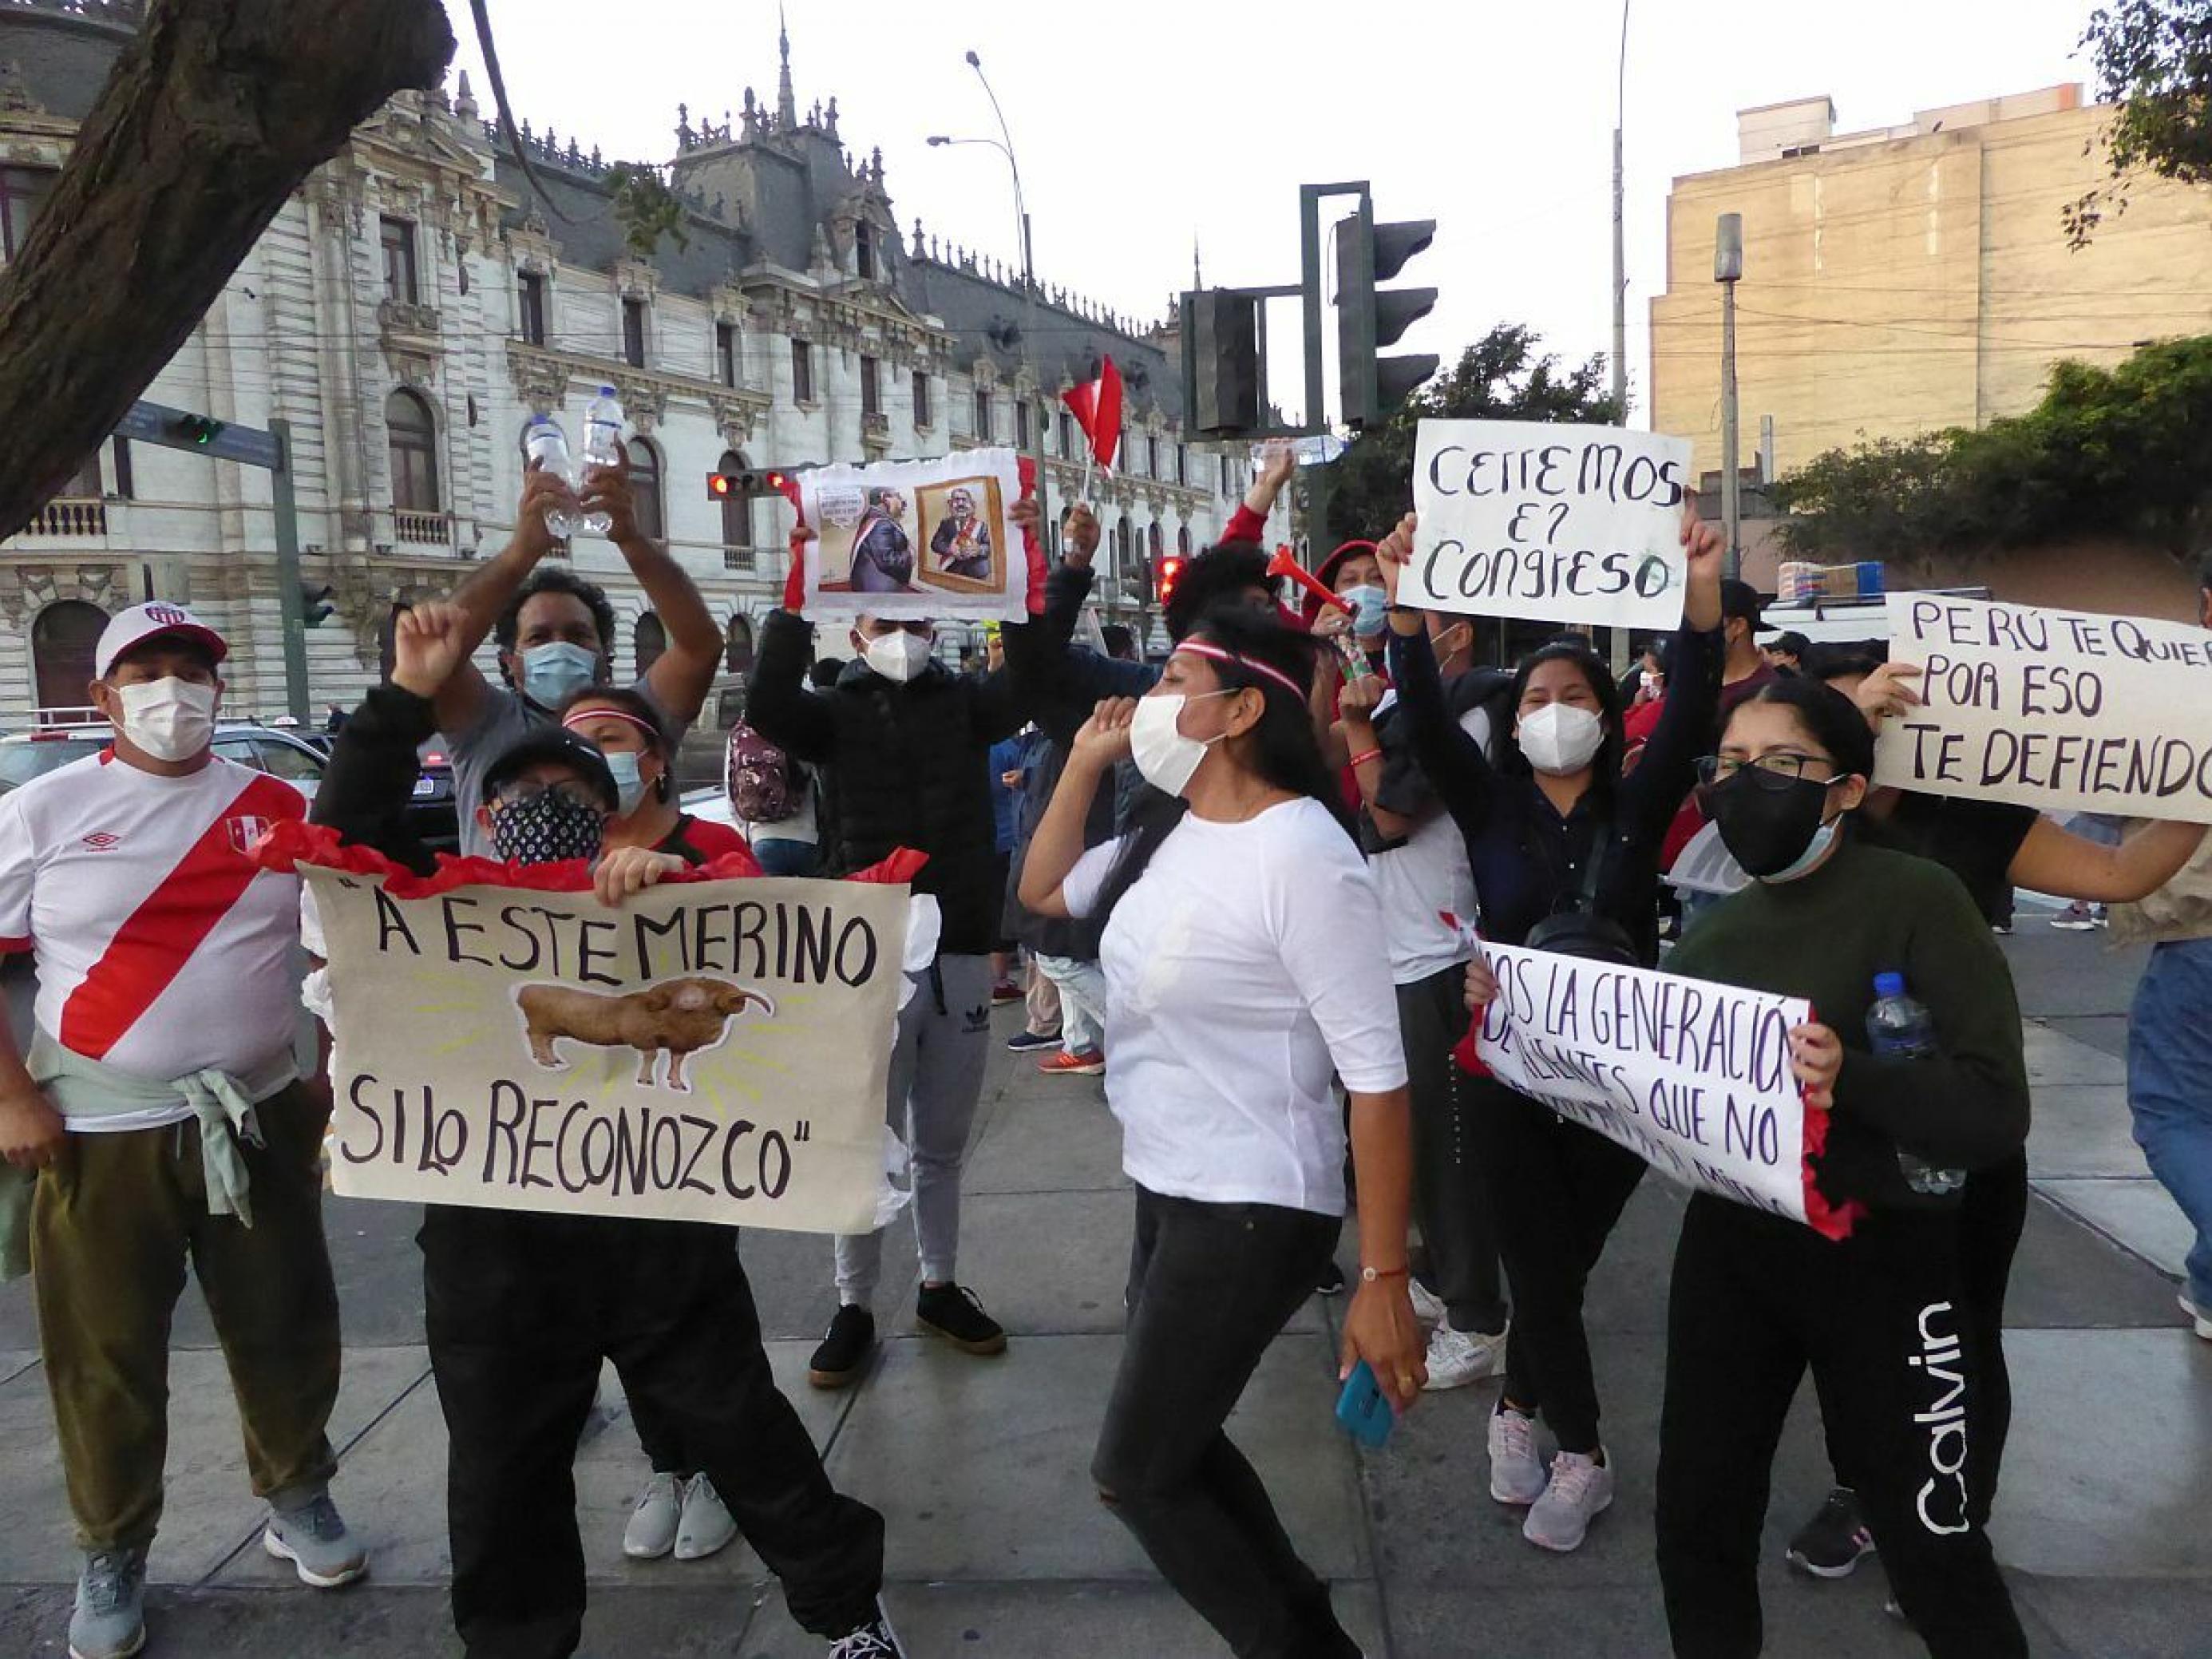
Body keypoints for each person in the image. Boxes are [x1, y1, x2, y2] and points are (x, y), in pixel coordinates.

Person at [313, 603, 902, 1659]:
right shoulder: (443, 898)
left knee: (743, 1431)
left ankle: (848, 1613)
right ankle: (514, 1641)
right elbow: (344, 829)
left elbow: (778, 937)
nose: (548, 805)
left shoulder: (674, 885)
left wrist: (674, 891)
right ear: (481, 816)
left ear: (613, 810)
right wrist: (402, 696)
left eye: (574, 792)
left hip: (657, 1232)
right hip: (495, 1245)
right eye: (524, 793)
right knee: (500, 1465)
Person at [1018, 605, 1423, 1658]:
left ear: (1241, 708)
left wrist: (1381, 1280)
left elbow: (1376, 1081)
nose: (1150, 697)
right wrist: (1081, 761)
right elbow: (1042, 890)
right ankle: (1303, 1622)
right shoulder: (1167, 827)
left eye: (1173, 678)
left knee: (1136, 1473)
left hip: (1254, 1204)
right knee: (1178, 1446)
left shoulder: (1301, 851)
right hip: (1170, 1185)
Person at [1766, 651, 2211, 1582]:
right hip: (1832, 1116)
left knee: (1960, 1326)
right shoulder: (1809, 816)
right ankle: (1861, 1488)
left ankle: (1953, 1515)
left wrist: (2197, 782)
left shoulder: (1978, 811)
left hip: (1957, 1116)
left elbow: (2122, 870)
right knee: (1853, 1326)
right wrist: (1845, 726)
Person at [0, 603, 364, 1659]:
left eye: (190, 668)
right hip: (97, 1130)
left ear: (217, 683)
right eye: (146, 670)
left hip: (259, 1115)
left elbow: (345, 947)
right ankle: (112, 1547)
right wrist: (13, 1096)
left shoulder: (279, 803)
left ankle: (299, 1494)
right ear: (106, 694)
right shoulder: (45, 806)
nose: (172, 690)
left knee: (287, 1320)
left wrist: (330, 1073)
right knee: (105, 1351)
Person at [1645, 675, 2032, 1657]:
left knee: (1929, 1536)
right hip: (1733, 1252)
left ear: (1847, 789)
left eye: (1782, 764)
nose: (1747, 786)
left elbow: (1992, 1106)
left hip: (1884, 1256)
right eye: (1729, 765)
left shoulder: (1915, 898)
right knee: (1696, 1514)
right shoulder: (1712, 938)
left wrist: (1847, 1075)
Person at [1375, 502, 1724, 1552]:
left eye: (1575, 695)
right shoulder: (1486, 805)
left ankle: (1513, 1409)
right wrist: (1402, 609)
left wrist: (1696, 584)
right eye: (1536, 695)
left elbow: (1697, 693)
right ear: (1514, 717)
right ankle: (1583, 1451)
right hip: (1506, 1066)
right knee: (1534, 1254)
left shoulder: (1638, 791)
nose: (1555, 708)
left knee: (1555, 1266)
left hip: (1620, 1075)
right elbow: (1427, 720)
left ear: (1606, 711)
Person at [747, 520, 1039, 1388]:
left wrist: (1013, 579)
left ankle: (938, 1283)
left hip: (952, 946)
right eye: (884, 622)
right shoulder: (830, 712)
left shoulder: (965, 705)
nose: (902, 639)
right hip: (863, 949)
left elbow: (1024, 680)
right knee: (860, 1137)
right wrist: (798, 591)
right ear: (855, 631)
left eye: (916, 622)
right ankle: (852, 1302)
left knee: (940, 1139)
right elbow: (765, 703)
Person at [1336, 612, 1513, 1392]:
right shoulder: (1407, 711)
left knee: (1449, 1153)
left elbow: (1388, 813)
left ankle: (1478, 1317)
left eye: (1422, 621)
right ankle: (1441, 1277)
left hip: (1438, 954)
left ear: (1460, 632)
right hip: (1397, 953)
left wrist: (1351, 731)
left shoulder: (1469, 713)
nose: (1396, 632)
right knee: (1420, 1140)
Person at [432, 462, 723, 858]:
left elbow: (700, 647)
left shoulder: (638, 719)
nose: (560, 646)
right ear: (510, 662)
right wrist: (522, 551)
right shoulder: (483, 725)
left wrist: (631, 540)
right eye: (539, 637)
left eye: (577, 635)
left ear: (602, 655)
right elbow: (437, 653)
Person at [850, 489, 915, 592]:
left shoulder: (872, 520)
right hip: (882, 592)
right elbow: (888, 561)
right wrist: (910, 555)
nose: (903, 502)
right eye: (898, 496)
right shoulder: (880, 525)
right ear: (885, 498)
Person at [930, 486, 994, 581]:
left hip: (977, 575)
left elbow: (990, 547)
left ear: (972, 504)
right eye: (956, 500)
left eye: (964, 500)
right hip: (951, 571)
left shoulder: (982, 526)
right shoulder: (945, 524)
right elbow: (936, 544)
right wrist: (949, 549)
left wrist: (979, 550)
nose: (960, 504)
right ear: (950, 504)